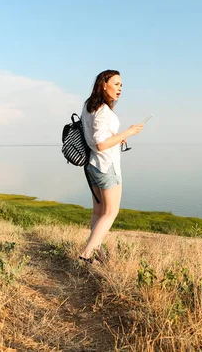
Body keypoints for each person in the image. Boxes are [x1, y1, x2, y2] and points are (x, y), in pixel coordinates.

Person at [78, 70, 143, 263]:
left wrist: (118, 139)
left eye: (121, 85)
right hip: (106, 166)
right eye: (116, 84)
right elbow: (100, 143)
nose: (120, 88)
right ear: (103, 84)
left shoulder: (89, 105)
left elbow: (100, 138)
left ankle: (97, 252)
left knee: (98, 212)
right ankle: (86, 254)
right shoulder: (103, 111)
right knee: (110, 212)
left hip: (92, 164)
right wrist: (128, 133)